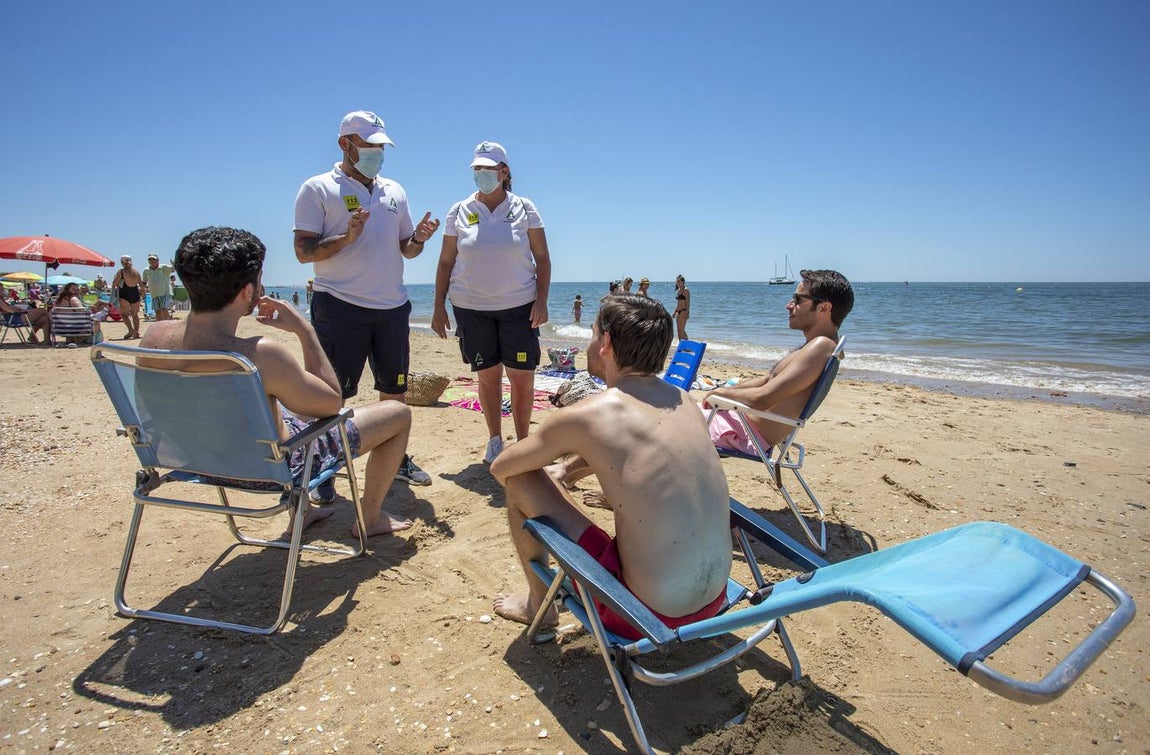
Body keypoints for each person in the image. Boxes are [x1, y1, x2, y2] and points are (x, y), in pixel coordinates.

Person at [140, 226, 417, 536]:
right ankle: (370, 517)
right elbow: (330, 404)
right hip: (270, 470)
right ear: (247, 291)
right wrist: (305, 331)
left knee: (282, 405)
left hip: (196, 460)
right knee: (398, 413)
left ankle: (305, 510)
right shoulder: (258, 356)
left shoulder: (155, 337)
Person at [490, 295, 731, 640]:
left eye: (591, 334)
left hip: (643, 614)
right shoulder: (685, 400)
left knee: (520, 480)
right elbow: (636, 454)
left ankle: (538, 606)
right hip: (713, 600)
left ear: (605, 342)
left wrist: (553, 468)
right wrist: (568, 470)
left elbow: (502, 469)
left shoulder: (590, 414)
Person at [294, 109, 440, 490]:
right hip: (340, 305)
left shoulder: (395, 191)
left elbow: (406, 249)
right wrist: (345, 238)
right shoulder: (317, 188)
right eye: (369, 145)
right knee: (333, 393)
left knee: (393, 392)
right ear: (346, 144)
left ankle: (396, 458)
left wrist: (420, 238)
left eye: (381, 146)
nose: (377, 153)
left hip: (392, 307)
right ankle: (322, 468)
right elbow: (303, 251)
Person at [431, 141, 552, 465]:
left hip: (519, 306)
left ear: (504, 171)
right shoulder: (459, 210)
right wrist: (438, 306)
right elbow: (446, 261)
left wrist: (542, 300)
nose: (482, 174)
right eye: (477, 169)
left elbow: (542, 257)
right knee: (487, 375)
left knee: (522, 377)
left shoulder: (525, 208)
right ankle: (495, 439)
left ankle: (524, 442)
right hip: (471, 307)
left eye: (489, 168)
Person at [702, 269, 854, 453]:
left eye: (798, 300)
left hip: (744, 435)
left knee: (663, 422)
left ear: (824, 308)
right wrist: (724, 391)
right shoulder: (814, 346)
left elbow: (762, 399)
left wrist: (721, 394)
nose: (789, 305)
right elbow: (767, 380)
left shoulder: (822, 346)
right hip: (737, 423)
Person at [112, 255, 143, 339]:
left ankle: (131, 330)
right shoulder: (136, 272)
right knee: (135, 315)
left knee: (124, 314)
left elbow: (115, 283)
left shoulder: (121, 272)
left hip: (125, 294)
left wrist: (116, 278)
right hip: (135, 293)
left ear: (122, 262)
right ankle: (136, 332)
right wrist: (143, 294)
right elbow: (141, 284)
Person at [141, 253, 176, 322]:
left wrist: (174, 264)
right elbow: (144, 282)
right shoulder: (146, 270)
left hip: (165, 292)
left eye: (153, 259)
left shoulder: (164, 267)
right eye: (149, 259)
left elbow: (173, 270)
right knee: (157, 311)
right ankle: (160, 326)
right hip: (154, 294)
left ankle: (167, 326)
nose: (151, 261)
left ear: (158, 260)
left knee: (164, 309)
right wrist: (142, 291)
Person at [672, 274, 690, 340]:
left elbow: (688, 302)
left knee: (682, 331)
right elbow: (678, 303)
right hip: (678, 312)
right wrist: (674, 312)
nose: (678, 283)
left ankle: (686, 345)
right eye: (677, 282)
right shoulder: (679, 290)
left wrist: (687, 312)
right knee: (679, 331)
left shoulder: (686, 290)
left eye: (679, 281)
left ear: (683, 282)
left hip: (683, 311)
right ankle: (681, 346)